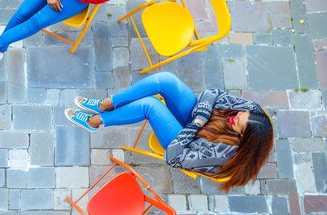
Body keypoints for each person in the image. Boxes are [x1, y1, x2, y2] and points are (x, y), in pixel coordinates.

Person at [64, 72, 274, 191]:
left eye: (238, 123)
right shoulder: (253, 113)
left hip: (182, 145)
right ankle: (106, 104)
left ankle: (94, 121)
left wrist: (198, 122)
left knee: (151, 105)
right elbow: (214, 93)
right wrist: (201, 116)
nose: (236, 116)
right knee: (165, 80)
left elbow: (175, 158)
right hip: (199, 120)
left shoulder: (224, 153)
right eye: (240, 114)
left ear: (241, 138)